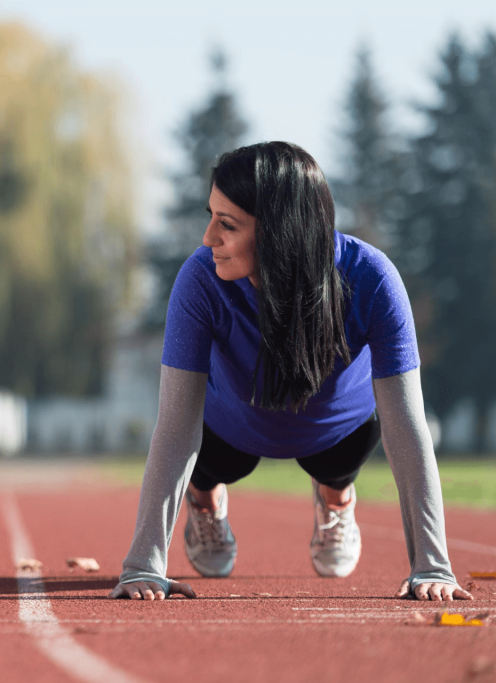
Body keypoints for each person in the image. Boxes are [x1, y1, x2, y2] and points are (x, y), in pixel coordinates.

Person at [110, 142, 472, 603]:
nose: (207, 238)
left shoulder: (373, 279)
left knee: (339, 463)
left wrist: (433, 566)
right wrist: (145, 564)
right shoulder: (200, 280)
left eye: (227, 224)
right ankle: (205, 502)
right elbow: (177, 425)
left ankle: (336, 499)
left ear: (279, 231)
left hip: (338, 432)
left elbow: (406, 425)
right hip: (229, 429)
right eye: (210, 216)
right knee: (210, 463)